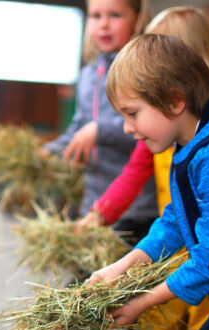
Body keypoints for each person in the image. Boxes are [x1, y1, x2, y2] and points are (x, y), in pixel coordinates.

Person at [78, 7, 209, 330]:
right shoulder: (186, 140)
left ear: (175, 97)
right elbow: (176, 217)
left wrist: (144, 300)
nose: (125, 128)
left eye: (132, 114)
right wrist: (121, 266)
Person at [41, 0, 157, 249]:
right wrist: (52, 150)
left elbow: (151, 125)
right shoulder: (88, 74)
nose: (103, 24)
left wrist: (99, 130)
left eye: (114, 15)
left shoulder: (142, 69)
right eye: (96, 16)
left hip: (135, 206)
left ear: (137, 19)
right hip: (94, 201)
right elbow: (79, 126)